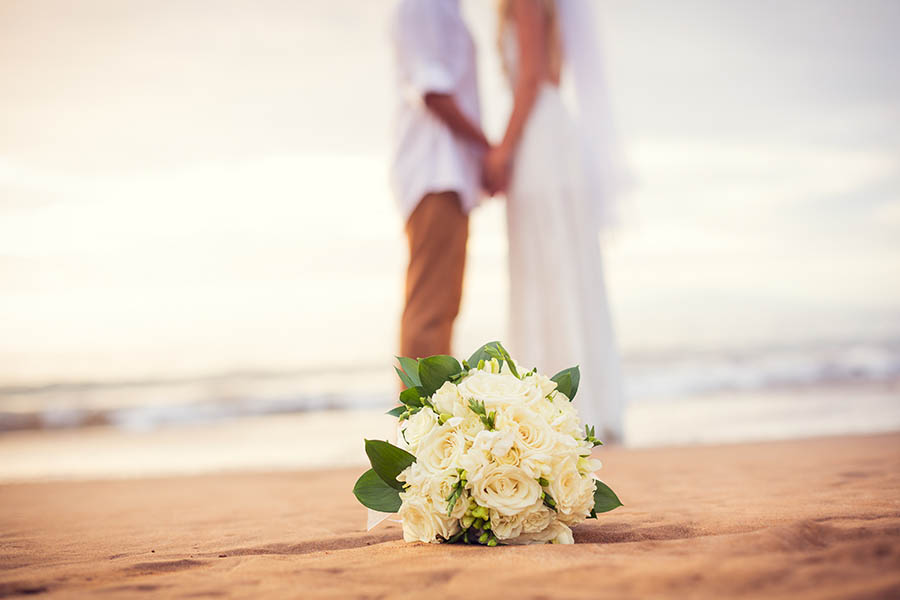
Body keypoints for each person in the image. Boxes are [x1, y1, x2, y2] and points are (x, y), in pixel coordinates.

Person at [484, 0, 626, 441]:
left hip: (539, 142)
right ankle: (585, 405)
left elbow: (531, 77)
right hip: (554, 135)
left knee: (543, 267)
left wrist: (502, 151)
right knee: (563, 266)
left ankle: (555, 411)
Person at [389, 0, 488, 361]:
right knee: (430, 312)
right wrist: (486, 151)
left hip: (448, 171)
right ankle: (418, 418)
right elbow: (431, 89)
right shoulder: (421, 5)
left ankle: (428, 416)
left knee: (441, 308)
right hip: (435, 170)